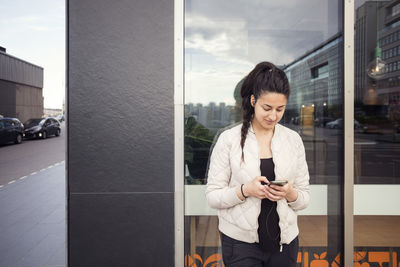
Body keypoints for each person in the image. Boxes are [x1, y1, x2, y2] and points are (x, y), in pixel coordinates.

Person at [206, 61, 310, 267]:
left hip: (285, 244)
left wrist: (289, 193)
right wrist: (245, 190)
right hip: (240, 245)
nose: (273, 116)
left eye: (280, 109)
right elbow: (213, 196)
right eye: (267, 108)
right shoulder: (229, 139)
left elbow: (304, 198)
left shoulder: (293, 139)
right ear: (253, 100)